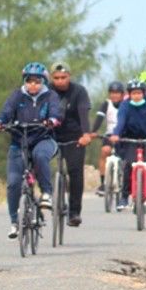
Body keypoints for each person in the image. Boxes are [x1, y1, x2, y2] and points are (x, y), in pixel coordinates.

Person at [0, 62, 62, 239]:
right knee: (14, 182)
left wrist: (52, 120)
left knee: (40, 155)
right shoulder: (17, 95)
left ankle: (46, 192)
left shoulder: (50, 96)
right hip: (19, 141)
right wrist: (0, 122)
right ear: (24, 81)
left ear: (43, 82)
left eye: (37, 81)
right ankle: (14, 222)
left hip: (44, 139)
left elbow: (56, 112)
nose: (33, 85)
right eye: (29, 81)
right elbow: (7, 112)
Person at [109, 79, 146, 207]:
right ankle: (125, 197)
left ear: (144, 93)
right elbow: (121, 121)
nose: (136, 96)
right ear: (129, 94)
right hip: (130, 139)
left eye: (139, 93)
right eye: (133, 93)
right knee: (129, 165)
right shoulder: (125, 105)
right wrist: (116, 134)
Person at [49, 61, 92, 226]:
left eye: (63, 77)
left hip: (74, 137)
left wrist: (86, 134)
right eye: (57, 78)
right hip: (50, 135)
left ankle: (74, 211)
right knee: (39, 162)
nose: (60, 81)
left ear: (69, 76)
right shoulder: (46, 91)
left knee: (75, 172)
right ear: (52, 78)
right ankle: (44, 198)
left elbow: (83, 113)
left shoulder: (79, 91)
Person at [91, 80, 125, 196]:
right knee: (104, 151)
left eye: (117, 93)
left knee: (127, 158)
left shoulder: (127, 104)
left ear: (122, 94)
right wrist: (93, 131)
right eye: (112, 92)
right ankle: (103, 183)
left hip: (124, 134)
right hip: (110, 134)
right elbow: (100, 118)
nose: (114, 95)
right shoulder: (106, 104)